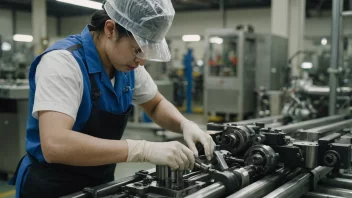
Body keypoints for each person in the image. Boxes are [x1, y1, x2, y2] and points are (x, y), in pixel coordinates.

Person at [8, 0, 215, 197]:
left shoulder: (127, 66)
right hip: (52, 186)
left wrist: (185, 124)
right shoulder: (63, 62)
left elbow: (156, 104)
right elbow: (55, 144)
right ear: (110, 29)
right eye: (138, 49)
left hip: (99, 183)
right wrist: (142, 149)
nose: (141, 60)